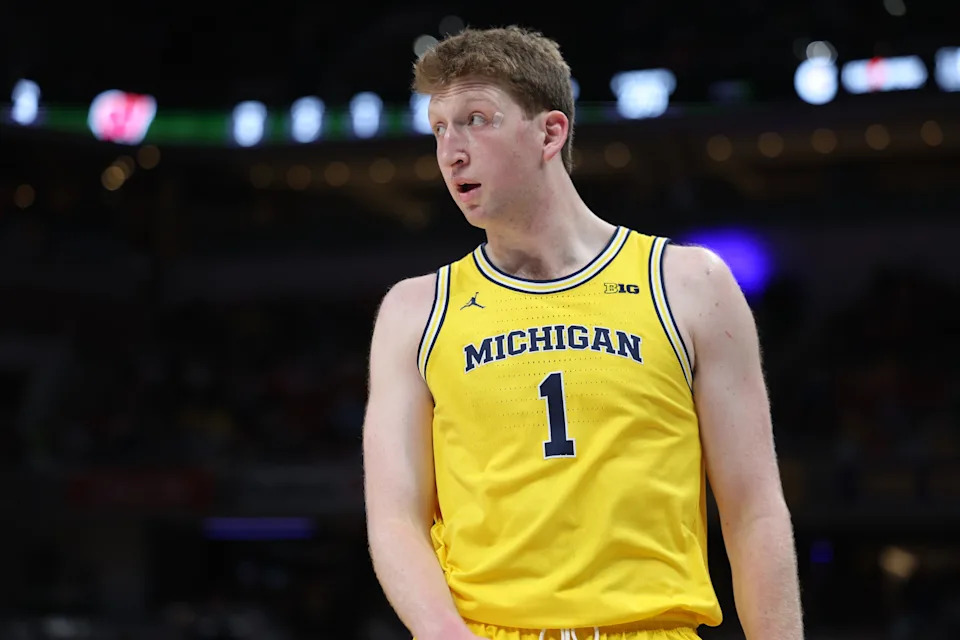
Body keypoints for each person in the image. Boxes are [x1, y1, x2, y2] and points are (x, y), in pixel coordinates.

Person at [362, 25, 803, 640]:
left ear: (549, 132)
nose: (450, 151)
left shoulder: (689, 283)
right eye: (439, 127)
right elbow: (394, 519)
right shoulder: (415, 311)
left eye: (477, 119)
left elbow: (754, 511)